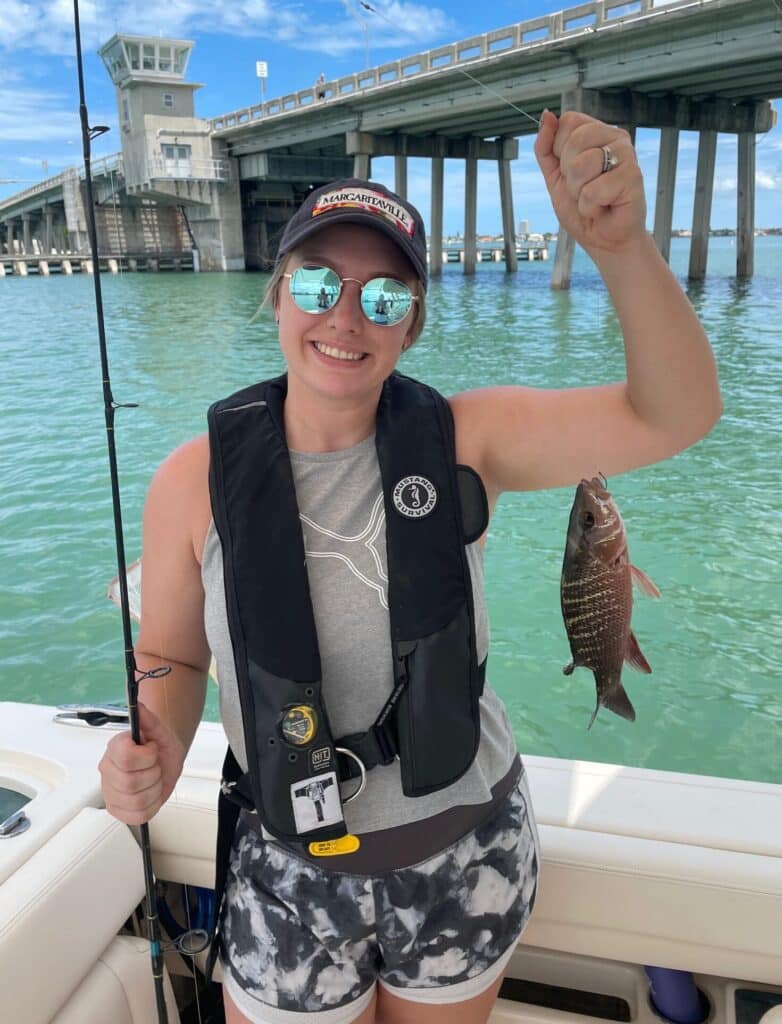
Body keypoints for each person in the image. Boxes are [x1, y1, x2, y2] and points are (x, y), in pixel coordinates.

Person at [98, 110, 721, 1024]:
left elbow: (678, 414)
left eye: (384, 298)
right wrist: (149, 748)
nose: (346, 317)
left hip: (467, 854)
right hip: (288, 874)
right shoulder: (191, 482)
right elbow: (177, 659)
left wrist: (620, 248)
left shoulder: (469, 438)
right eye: (317, 284)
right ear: (275, 295)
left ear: (412, 325)